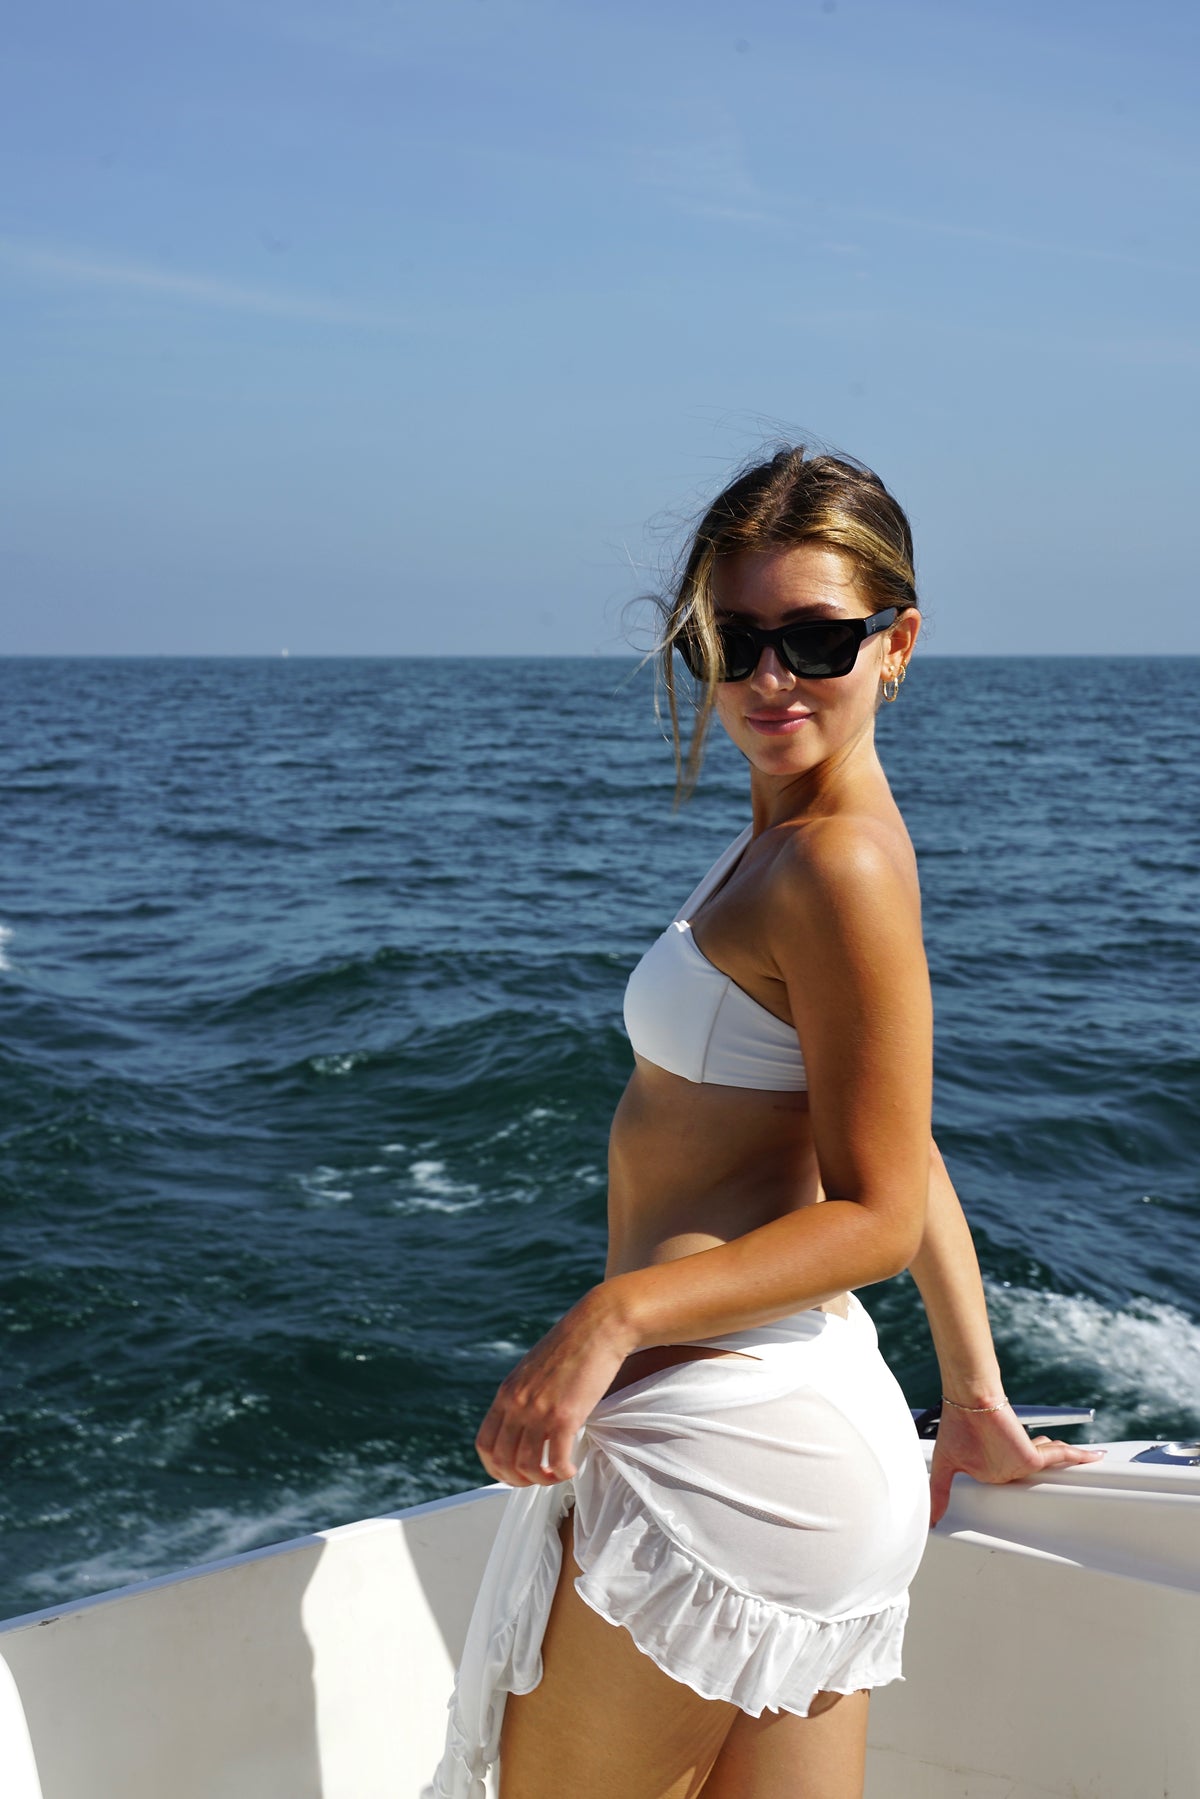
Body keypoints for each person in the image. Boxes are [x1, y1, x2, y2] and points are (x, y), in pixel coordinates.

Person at [426, 447, 1100, 1799]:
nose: (771, 678)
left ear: (897, 645)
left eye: (818, 639)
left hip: (726, 1462)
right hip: (797, 1444)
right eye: (734, 643)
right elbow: (906, 1144)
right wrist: (973, 1397)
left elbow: (877, 1215)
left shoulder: (835, 860)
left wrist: (609, 1319)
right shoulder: (803, 839)